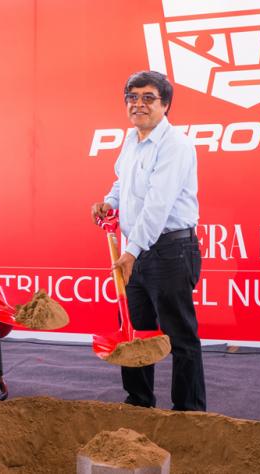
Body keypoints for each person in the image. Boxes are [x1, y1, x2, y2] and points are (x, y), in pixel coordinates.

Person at [91, 71, 206, 412]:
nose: (138, 104)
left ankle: (189, 412)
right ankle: (138, 403)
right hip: (137, 250)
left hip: (170, 250)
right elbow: (121, 182)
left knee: (179, 336)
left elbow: (158, 204)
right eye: (133, 97)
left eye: (148, 98)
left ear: (165, 105)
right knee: (134, 330)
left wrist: (130, 251)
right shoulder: (132, 139)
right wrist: (109, 202)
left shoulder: (176, 145)